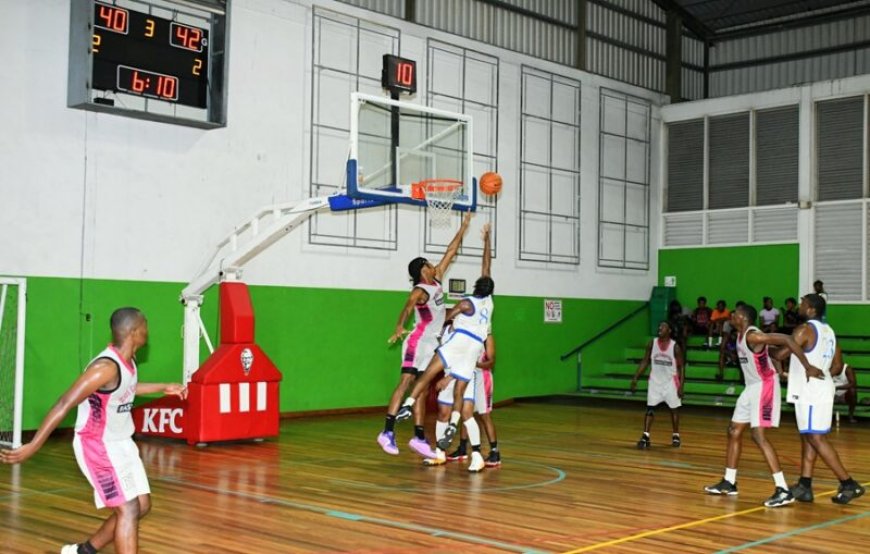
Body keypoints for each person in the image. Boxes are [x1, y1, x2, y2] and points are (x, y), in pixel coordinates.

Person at [0, 308, 187, 554]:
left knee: (141, 505)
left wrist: (164, 386)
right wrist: (33, 445)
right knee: (128, 508)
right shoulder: (105, 367)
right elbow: (64, 402)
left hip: (121, 442)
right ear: (134, 332)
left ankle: (84, 550)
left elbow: (127, 387)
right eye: (145, 326)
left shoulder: (127, 361)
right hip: (97, 445)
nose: (147, 331)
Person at [396, 223, 493, 472]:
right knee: (443, 411)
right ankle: (440, 451)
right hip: (459, 356)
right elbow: (485, 267)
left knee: (465, 409)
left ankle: (477, 454)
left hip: (462, 359)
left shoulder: (465, 304)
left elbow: (446, 313)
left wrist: (440, 313)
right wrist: (483, 240)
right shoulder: (486, 304)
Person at [703, 304, 822, 508]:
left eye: (734, 313)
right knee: (733, 431)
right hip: (751, 387)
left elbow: (786, 339)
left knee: (758, 436)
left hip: (764, 386)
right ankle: (729, 481)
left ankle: (782, 489)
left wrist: (807, 366)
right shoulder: (741, 336)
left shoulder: (753, 336)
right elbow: (772, 353)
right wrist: (779, 366)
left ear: (742, 317)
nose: (731, 316)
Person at [377, 213, 472, 457]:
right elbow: (407, 307)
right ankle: (387, 432)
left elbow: (451, 251)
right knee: (407, 382)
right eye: (429, 264)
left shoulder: (437, 280)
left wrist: (463, 227)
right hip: (417, 342)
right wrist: (400, 325)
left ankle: (419, 436)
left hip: (431, 343)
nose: (434, 265)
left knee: (422, 386)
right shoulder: (419, 291)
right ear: (422, 270)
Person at [783, 294, 864, 504]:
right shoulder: (829, 332)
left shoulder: (804, 329)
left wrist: (765, 343)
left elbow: (781, 353)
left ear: (810, 310)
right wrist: (822, 369)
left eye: (803, 304)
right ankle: (805, 485)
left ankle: (848, 483)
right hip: (822, 387)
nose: (800, 306)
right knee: (810, 436)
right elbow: (837, 366)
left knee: (816, 438)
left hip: (811, 391)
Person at [446, 333, 500, 467]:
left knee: (484, 415)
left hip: (482, 377)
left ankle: (495, 452)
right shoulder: (466, 333)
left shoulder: (487, 337)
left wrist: (475, 364)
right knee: (466, 413)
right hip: (468, 376)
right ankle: (462, 448)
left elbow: (491, 362)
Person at [630, 321, 684, 449]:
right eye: (659, 326)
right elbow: (645, 361)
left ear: (669, 330)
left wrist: (681, 385)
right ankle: (646, 435)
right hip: (655, 381)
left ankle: (676, 434)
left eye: (663, 327)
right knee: (650, 409)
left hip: (671, 382)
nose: (660, 328)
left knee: (674, 409)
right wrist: (635, 378)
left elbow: (681, 367)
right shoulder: (652, 343)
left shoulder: (675, 347)